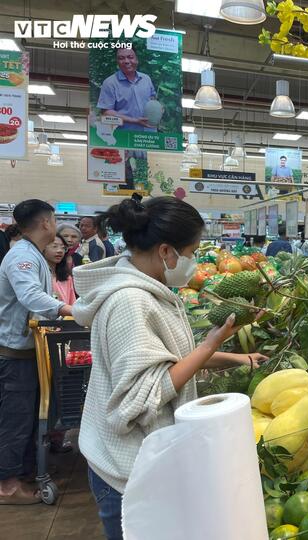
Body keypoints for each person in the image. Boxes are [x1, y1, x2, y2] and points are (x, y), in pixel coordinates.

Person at [72, 197, 267, 538]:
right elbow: (142, 397)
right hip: (125, 475)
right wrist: (211, 344)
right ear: (166, 252)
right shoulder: (130, 303)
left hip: (140, 462)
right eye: (191, 253)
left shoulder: (148, 289)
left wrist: (236, 357)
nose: (192, 263)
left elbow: (170, 360)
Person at [0, 200, 73, 505]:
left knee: (28, 417)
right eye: (54, 220)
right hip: (15, 354)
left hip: (28, 350)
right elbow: (29, 295)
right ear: (46, 223)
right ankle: (7, 486)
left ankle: (23, 470)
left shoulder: (32, 253)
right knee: (15, 419)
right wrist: (67, 309)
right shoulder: (22, 257)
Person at [97, 47, 157, 132]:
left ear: (137, 59)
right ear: (117, 62)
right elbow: (106, 112)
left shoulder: (146, 79)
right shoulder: (110, 83)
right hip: (124, 137)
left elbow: (153, 99)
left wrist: (158, 107)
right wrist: (134, 121)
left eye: (130, 57)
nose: (126, 61)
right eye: (121, 58)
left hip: (149, 136)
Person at [43, 234, 76, 306]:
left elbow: (72, 305)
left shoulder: (67, 277)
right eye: (54, 246)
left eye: (63, 248)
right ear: (42, 248)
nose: (60, 251)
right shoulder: (38, 276)